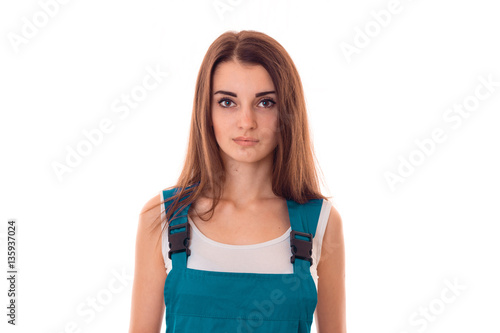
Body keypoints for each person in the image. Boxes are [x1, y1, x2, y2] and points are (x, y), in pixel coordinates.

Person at [129, 30, 346, 333]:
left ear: (287, 111)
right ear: (206, 111)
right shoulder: (161, 216)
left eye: (265, 102)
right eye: (228, 102)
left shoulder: (319, 221)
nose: (247, 121)